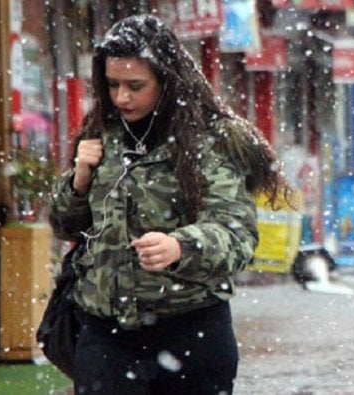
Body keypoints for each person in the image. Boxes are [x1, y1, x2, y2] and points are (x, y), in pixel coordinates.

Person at [49, 14, 292, 395]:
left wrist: (180, 246)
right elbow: (65, 226)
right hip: (105, 333)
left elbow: (237, 234)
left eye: (135, 85)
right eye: (112, 84)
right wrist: (79, 179)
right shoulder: (102, 135)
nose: (121, 97)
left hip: (189, 331)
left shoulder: (210, 143)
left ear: (166, 81)